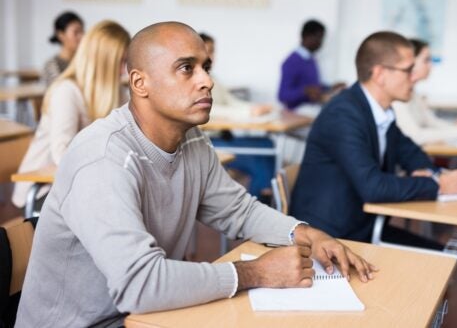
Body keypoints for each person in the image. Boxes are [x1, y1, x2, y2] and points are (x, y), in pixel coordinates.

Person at [16, 22, 376, 327]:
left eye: (206, 66)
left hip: (139, 315)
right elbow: (140, 284)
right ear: (140, 83)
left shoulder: (192, 140)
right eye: (187, 68)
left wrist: (306, 234)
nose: (207, 80)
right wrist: (258, 273)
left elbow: (238, 210)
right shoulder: (103, 157)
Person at [290, 31, 457, 248]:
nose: (414, 76)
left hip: (363, 225)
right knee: (440, 258)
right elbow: (373, 187)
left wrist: (432, 173)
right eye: (407, 70)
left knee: (443, 253)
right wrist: (438, 185)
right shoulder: (343, 114)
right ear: (380, 74)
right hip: (330, 237)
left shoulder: (381, 111)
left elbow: (412, 153)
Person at [11, 21, 130, 209]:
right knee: (113, 207)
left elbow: (126, 135)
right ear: (103, 60)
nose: (125, 71)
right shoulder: (67, 91)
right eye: (120, 62)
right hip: (45, 188)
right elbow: (63, 154)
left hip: (81, 182)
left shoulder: (116, 91)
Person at [200, 32, 275, 198]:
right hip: (209, 143)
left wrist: (257, 108)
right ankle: (261, 201)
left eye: (213, 51)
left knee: (266, 143)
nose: (211, 56)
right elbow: (211, 109)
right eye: (207, 50)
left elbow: (231, 102)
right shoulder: (195, 81)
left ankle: (265, 190)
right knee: (258, 162)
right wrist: (248, 112)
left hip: (224, 136)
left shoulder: (213, 79)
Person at [392, 39, 457, 145]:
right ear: (410, 62)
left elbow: (430, 121)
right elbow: (415, 136)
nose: (431, 65)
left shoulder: (413, 92)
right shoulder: (397, 94)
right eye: (426, 60)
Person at [278, 19, 345, 116]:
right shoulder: (291, 62)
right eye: (319, 38)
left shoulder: (311, 59)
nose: (321, 43)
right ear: (306, 36)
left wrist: (331, 87)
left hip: (311, 108)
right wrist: (304, 91)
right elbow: (283, 95)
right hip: (297, 112)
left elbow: (314, 87)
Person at [41, 11, 84, 86]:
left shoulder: (83, 61)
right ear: (61, 35)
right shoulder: (52, 65)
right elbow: (59, 90)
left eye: (82, 31)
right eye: (76, 32)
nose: (82, 36)